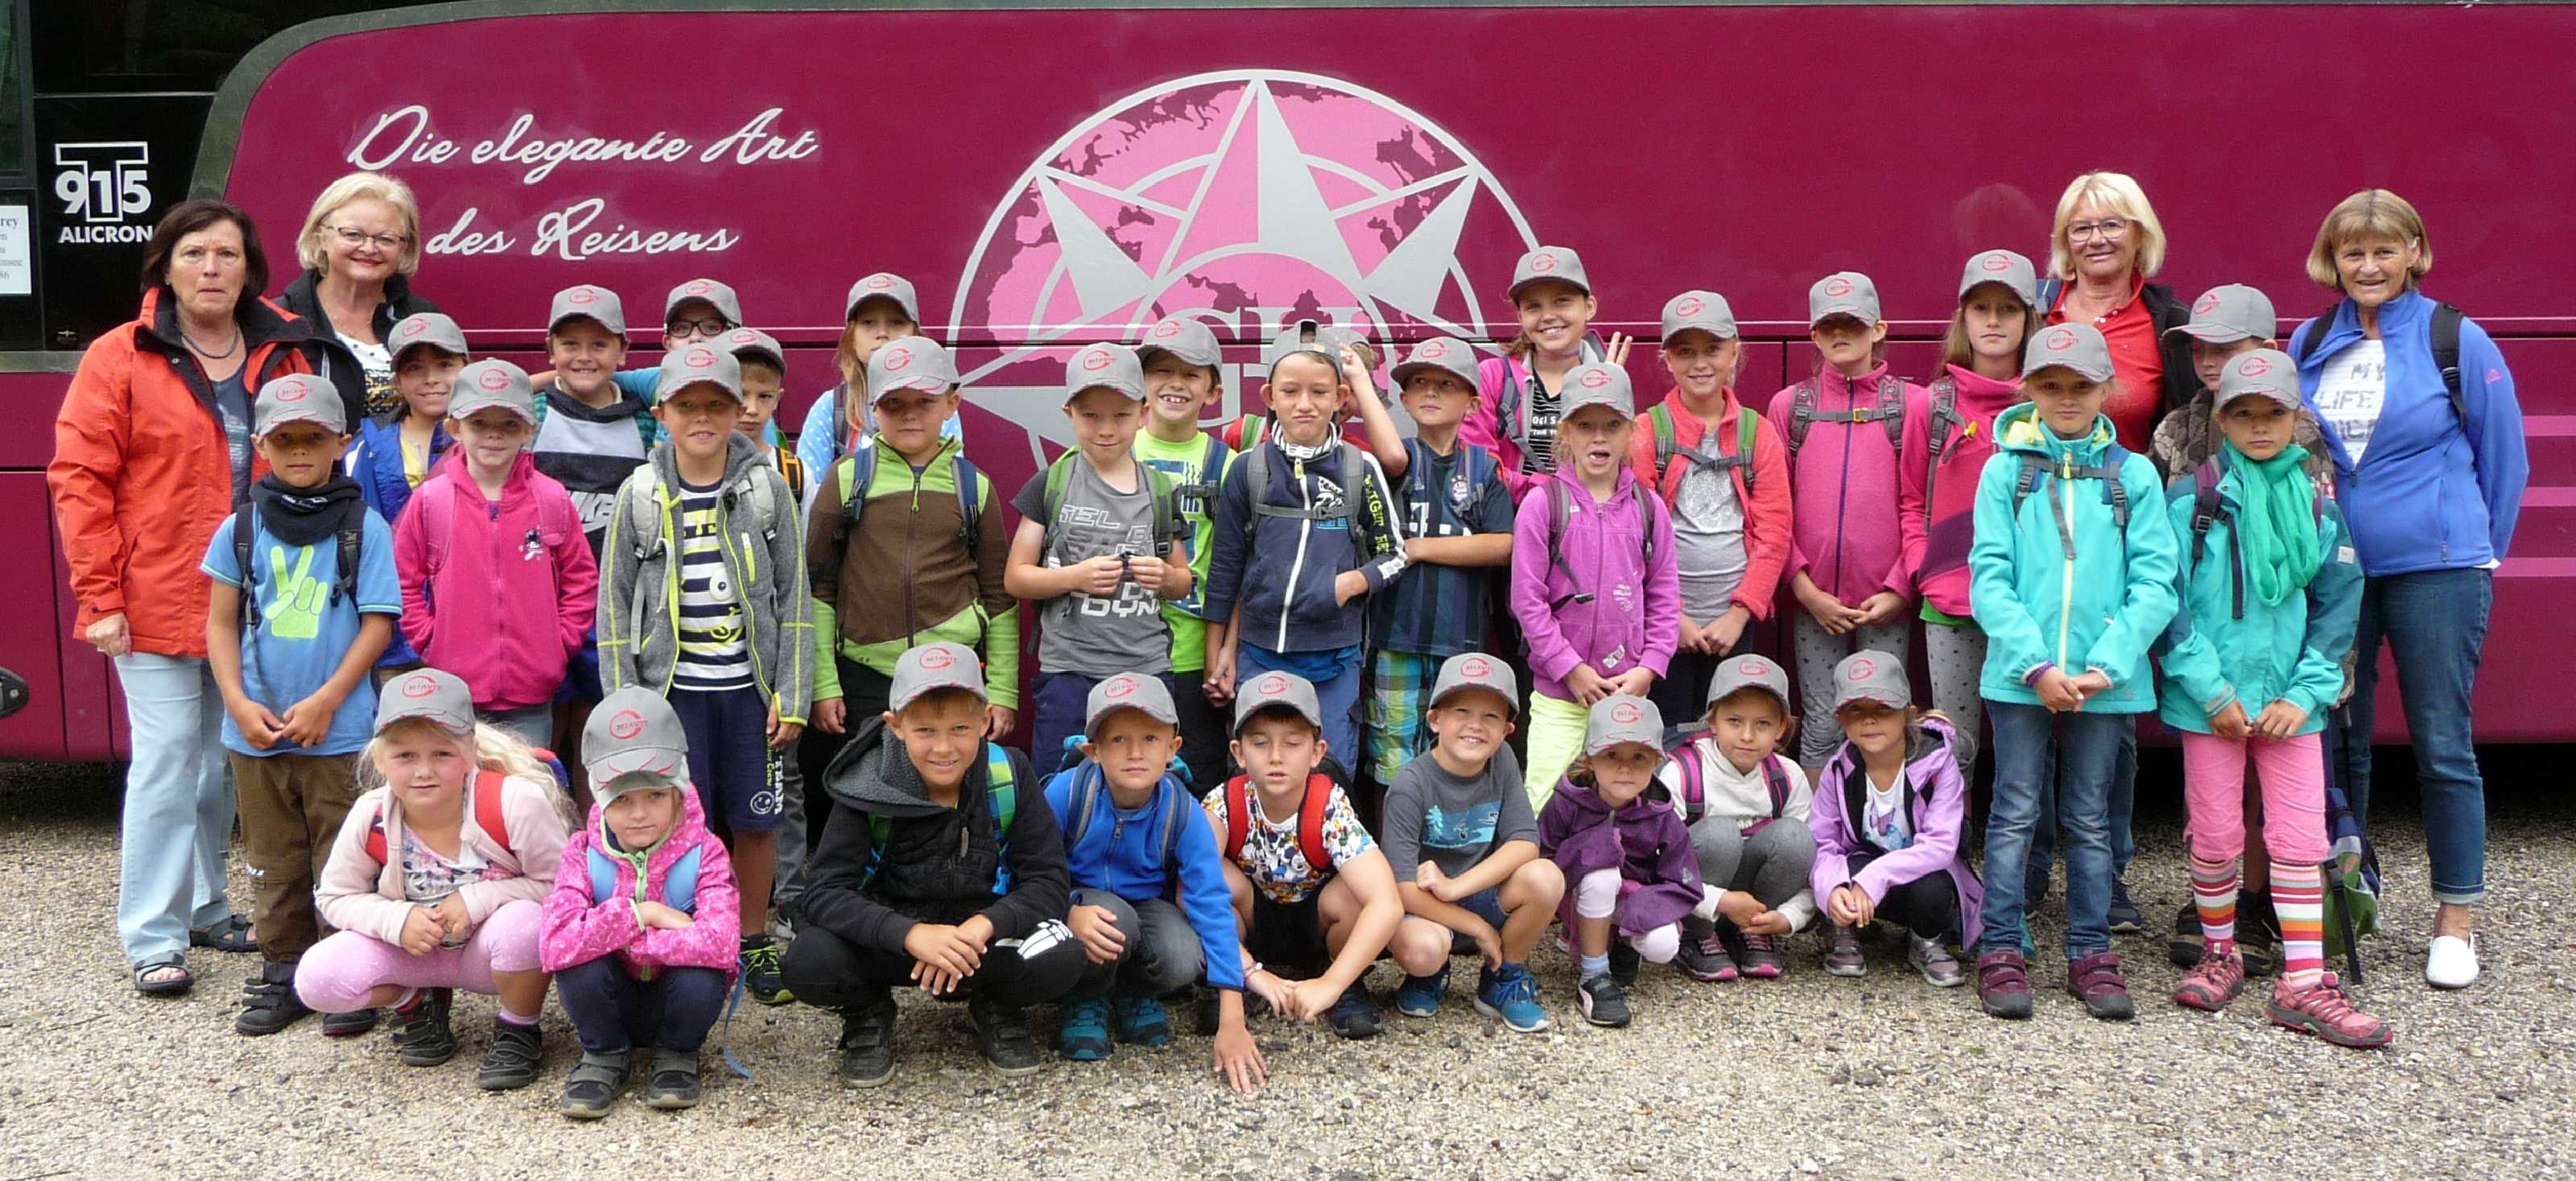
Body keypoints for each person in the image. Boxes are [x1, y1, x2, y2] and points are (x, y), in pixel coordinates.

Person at [52, 198, 326, 994]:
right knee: (169, 762)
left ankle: (207, 908)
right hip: (155, 596)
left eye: (227, 254)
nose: (212, 268)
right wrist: (99, 596)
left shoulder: (284, 352)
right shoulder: (119, 355)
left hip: (258, 600)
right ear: (165, 268)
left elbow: (311, 463)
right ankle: (153, 935)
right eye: (195, 253)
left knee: (219, 766)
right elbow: (79, 479)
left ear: (250, 270)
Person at [2290, 188, 2526, 990]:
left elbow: (2504, 458)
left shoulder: (2454, 337)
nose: (2368, 265)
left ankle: (2455, 919)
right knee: (2337, 740)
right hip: (2337, 574)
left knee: (2441, 744)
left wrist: (2478, 554)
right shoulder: (2309, 341)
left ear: (2413, 253)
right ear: (2331, 259)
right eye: (2352, 251)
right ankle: (2350, 894)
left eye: (2384, 249)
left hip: (2438, 568)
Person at [2157, 350, 2390, 1047]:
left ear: (2297, 420)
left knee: (2297, 836)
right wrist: (2211, 689)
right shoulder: (2192, 500)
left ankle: (2305, 982)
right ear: (2222, 419)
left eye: (2274, 414)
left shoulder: (2318, 506)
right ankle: (2220, 951)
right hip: (2212, 704)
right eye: (2244, 414)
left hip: (2292, 705)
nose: (2259, 427)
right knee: (2216, 832)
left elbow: (2338, 604)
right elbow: (2168, 604)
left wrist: (2306, 691)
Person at [1967, 324, 2178, 1022]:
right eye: (2050, 385)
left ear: (2106, 389)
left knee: (2090, 817)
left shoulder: (2133, 475)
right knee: (2014, 811)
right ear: (2028, 387)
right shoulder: (2004, 471)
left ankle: (2090, 949)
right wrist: (2035, 663)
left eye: (2081, 386)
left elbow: (2156, 582)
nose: (2066, 398)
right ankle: (2001, 944)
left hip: (2103, 682)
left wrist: (2104, 666)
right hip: (2020, 677)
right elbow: (1988, 577)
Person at [600, 346, 811, 1005]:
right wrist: (625, 705)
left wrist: (792, 692)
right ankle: (687, 937)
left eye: (716, 404)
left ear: (737, 409)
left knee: (755, 819)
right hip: (670, 697)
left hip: (749, 693)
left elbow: (795, 596)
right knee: (676, 821)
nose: (702, 417)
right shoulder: (639, 493)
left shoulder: (765, 489)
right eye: (686, 405)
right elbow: (615, 605)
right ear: (661, 411)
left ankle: (752, 937)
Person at [782, 642, 1082, 1085]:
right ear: (896, 726)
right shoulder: (865, 783)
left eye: (960, 728)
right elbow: (824, 893)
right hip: (897, 944)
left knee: (1064, 952)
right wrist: (910, 935)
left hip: (979, 942)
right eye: (925, 731)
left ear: (985, 721)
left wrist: (983, 927)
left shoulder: (1010, 774)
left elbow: (1048, 883)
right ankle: (868, 1010)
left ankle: (995, 1005)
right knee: (808, 959)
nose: (944, 748)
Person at [2027, 171, 2199, 931]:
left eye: (2112, 224)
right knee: (2029, 712)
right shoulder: (2032, 310)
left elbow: (2191, 430)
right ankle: (2031, 866)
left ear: (2141, 235)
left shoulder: (2166, 323)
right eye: (2081, 226)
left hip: (2125, 542)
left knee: (2112, 717)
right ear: (2063, 241)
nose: (2096, 238)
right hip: (2037, 537)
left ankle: (2109, 874)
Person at [203, 374, 401, 1035]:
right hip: (255, 732)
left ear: (341, 442)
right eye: (283, 438)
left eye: (312, 438)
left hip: (338, 732)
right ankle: (283, 969)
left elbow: (378, 624)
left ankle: (344, 973)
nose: (297, 450)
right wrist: (236, 702)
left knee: (343, 854)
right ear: (260, 444)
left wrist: (327, 700)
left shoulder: (364, 526)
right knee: (273, 858)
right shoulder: (240, 527)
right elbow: (220, 624)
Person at [295, 668, 572, 1090]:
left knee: (526, 926)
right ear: (380, 760)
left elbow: (562, 886)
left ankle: (519, 1026)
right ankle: (415, 1003)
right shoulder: (371, 813)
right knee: (316, 978)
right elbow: (334, 895)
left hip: (487, 952)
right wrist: (396, 920)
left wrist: (478, 900)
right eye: (405, 756)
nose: (424, 770)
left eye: (442, 754)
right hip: (412, 951)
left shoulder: (514, 800)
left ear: (470, 753)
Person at [1045, 674, 1265, 1092]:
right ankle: (1085, 996)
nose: (1135, 753)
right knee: (1115, 919)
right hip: (1076, 907)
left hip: (1146, 908)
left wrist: (1232, 1016)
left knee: (1184, 956)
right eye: (1118, 740)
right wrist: (1067, 910)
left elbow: (1211, 903)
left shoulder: (1183, 811)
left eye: (1150, 739)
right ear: (1092, 751)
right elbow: (1027, 870)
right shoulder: (1066, 794)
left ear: (1172, 748)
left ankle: (1131, 992)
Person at [1203, 335, 1409, 772]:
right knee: (1259, 771)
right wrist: (1217, 656)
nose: (1304, 404)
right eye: (1290, 391)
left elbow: (1393, 553)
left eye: (1319, 392)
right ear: (1269, 397)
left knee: (1328, 773)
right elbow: (1225, 569)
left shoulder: (1359, 468)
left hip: (1334, 661)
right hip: (1259, 654)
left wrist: (1350, 583)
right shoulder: (1248, 468)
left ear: (1340, 398)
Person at [542, 688, 744, 1118]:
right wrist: (643, 914)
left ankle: (678, 1054)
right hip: (608, 998)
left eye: (654, 795)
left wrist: (617, 939)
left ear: (678, 793)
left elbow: (723, 945)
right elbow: (555, 944)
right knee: (577, 967)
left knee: (700, 975)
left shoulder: (706, 851)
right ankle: (604, 1054)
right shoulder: (581, 852)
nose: (638, 813)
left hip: (680, 1002)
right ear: (599, 798)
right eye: (621, 799)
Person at [805, 337, 1018, 737]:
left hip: (955, 674)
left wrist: (1004, 691)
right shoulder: (847, 478)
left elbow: (999, 596)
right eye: (894, 403)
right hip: (864, 680)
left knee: (948, 776)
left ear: (951, 404)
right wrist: (824, 684)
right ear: (873, 407)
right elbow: (819, 587)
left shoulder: (973, 486)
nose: (909, 414)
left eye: (924, 401)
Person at [1769, 272, 1926, 779]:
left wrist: (1901, 588)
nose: (1840, 333)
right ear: (1813, 335)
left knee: (1884, 719)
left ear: (1878, 329)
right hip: (1813, 603)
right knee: (1821, 723)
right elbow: (1775, 507)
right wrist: (1803, 588)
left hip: (1887, 605)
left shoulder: (1912, 404)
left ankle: (1886, 821)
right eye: (1828, 325)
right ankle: (1824, 826)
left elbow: (1922, 505)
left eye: (1853, 323)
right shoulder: (1791, 406)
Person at [1006, 342, 1193, 766]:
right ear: (1069, 414)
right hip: (1068, 671)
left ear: (1143, 414)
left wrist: (1165, 577)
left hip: (1145, 667)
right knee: (1059, 783)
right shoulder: (1051, 484)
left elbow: (1183, 581)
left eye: (1121, 415)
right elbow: (1016, 577)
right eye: (1091, 416)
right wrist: (1075, 577)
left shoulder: (1160, 491)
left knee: (1142, 778)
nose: (1106, 429)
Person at [394, 360, 596, 749]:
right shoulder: (432, 500)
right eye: (479, 423)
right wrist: (429, 640)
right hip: (455, 691)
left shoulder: (550, 497)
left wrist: (559, 643)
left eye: (509, 424)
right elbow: (404, 580)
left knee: (527, 780)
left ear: (529, 429)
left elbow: (581, 578)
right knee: (462, 782)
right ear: (454, 427)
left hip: (532, 692)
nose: (494, 435)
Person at [1200, 671, 1403, 1040]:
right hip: (1253, 923)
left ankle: (1347, 980)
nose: (1276, 757)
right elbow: (1192, 889)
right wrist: (1249, 971)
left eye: (1293, 743)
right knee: (1212, 877)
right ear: (1238, 752)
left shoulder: (1329, 806)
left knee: (1355, 893)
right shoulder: (1223, 803)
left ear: (1317, 752)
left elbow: (1386, 902)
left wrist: (1332, 983)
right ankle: (1232, 977)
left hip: (1318, 924)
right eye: (1260, 743)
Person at [1509, 362, 1678, 803]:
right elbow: (1527, 601)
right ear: (1565, 432)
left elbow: (1664, 597)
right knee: (1546, 800)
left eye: (1612, 425)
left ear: (1632, 432)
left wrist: (1649, 668)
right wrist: (1570, 670)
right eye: (1585, 426)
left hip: (1628, 693)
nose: (1599, 438)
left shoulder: (1649, 509)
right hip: (1560, 696)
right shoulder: (1543, 505)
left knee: (1625, 803)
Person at [1627, 291, 1792, 721]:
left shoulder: (1759, 434)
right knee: (1668, 730)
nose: (1700, 363)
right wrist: (1672, 616)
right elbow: (1635, 536)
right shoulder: (1648, 431)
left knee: (1729, 731)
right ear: (1667, 359)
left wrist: (1741, 613)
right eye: (1686, 352)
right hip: (1663, 624)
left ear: (1734, 352)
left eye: (1713, 349)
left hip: (1733, 624)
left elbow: (1775, 533)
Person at [1908, 250, 2041, 772]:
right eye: (1981, 308)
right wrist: (1924, 567)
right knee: (1952, 749)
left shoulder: (2048, 406)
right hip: (1949, 601)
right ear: (1963, 318)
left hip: (2031, 602)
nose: (1993, 321)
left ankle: (2022, 831)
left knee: (2024, 751)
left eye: (2008, 309)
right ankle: (1953, 827)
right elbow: (1910, 498)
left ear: (2028, 319)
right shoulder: (1932, 404)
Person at [1378, 655, 1562, 1032]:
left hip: (1474, 891)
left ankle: (1503, 976)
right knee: (1424, 950)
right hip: (1423, 907)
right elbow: (1402, 888)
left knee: (1546, 877)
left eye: (1491, 716)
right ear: (1435, 719)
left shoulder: (1502, 760)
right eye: (1461, 712)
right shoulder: (1410, 785)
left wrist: (1456, 887)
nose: (1475, 726)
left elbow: (1525, 842)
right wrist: (1477, 927)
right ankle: (1430, 975)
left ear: (1507, 730)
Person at [1365, 338, 1516, 791]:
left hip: (1460, 640)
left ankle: (1445, 836)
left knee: (1454, 753)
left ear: (1473, 403)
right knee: (1392, 751)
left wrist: (1419, 548)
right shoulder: (1392, 461)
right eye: (1419, 383)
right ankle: (1396, 837)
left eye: (1447, 385)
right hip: (1395, 636)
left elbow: (1502, 545)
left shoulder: (1483, 468)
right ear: (1403, 398)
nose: (1430, 392)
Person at [530, 284, 659, 782]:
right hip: (543, 604)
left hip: (614, 605)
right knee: (545, 730)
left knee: (600, 730)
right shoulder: (533, 412)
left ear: (623, 352)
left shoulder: (644, 419)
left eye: (600, 344)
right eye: (570, 344)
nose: (584, 356)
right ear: (550, 350)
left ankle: (596, 823)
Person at [1537, 695, 1717, 1028]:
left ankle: (1621, 942)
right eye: (1611, 755)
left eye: (1639, 756)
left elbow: (1683, 881)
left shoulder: (1661, 814)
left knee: (1663, 945)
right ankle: (1593, 976)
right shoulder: (1566, 802)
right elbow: (1542, 859)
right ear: (1590, 759)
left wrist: (1641, 911)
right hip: (1578, 893)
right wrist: (1589, 853)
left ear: (1656, 760)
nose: (1625, 767)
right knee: (1601, 874)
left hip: (1631, 899)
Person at [1806, 653, 1982, 988]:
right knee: (1840, 874)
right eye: (1856, 710)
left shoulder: (1938, 765)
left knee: (1934, 890)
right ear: (1840, 718)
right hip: (1863, 877)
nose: (1870, 720)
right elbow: (1822, 840)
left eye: (1884, 709)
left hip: (1918, 876)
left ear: (1908, 714)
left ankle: (1925, 938)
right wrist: (1831, 890)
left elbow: (1940, 846)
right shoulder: (1838, 769)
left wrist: (1875, 877)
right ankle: (1842, 927)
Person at [723, 326, 816, 928]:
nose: (749, 409)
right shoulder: (680, 467)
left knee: (785, 776)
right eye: (739, 395)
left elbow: (798, 578)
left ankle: (790, 895)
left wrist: (795, 675)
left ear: (780, 397)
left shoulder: (791, 471)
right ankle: (719, 896)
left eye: (763, 396)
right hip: (711, 655)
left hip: (773, 651)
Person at [1655, 655, 1814, 983]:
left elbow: (1815, 863)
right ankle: (1697, 935)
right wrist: (1719, 901)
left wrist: (1789, 916)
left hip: (1754, 905)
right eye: (1734, 721)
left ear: (1782, 728)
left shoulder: (1787, 776)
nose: (1747, 736)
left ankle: (1754, 932)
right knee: (1721, 834)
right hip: (1694, 899)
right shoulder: (1683, 772)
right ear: (1712, 722)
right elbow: (1656, 864)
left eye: (1763, 724)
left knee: (1797, 837)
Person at [1129, 316, 1238, 794]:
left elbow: (1237, 568)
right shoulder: (1112, 450)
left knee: (1201, 782)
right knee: (1128, 779)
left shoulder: (1228, 465)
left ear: (1214, 391)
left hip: (1194, 657)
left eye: (1191, 374)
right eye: (1161, 371)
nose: (1175, 383)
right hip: (1122, 648)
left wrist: (1224, 651)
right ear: (1139, 382)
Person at [1459, 246, 1631, 503]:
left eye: (1562, 301)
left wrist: (1609, 398)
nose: (1548, 316)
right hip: (1509, 523)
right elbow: (1477, 466)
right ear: (1520, 317)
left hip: (1585, 524)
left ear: (1589, 307)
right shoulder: (1493, 377)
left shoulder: (1611, 375)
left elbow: (1617, 476)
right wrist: (1550, 496)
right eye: (1533, 307)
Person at [344, 312, 462, 676]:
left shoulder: (491, 444)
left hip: (467, 629)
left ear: (467, 367)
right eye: (414, 369)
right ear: (396, 380)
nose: (431, 379)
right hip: (391, 631)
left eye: (445, 365)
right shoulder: (364, 448)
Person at [277, 171, 439, 420]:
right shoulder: (280, 322)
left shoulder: (423, 319)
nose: (369, 248)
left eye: (386, 239)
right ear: (321, 237)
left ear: (404, 247)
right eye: (353, 235)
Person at [792, 272, 956, 498]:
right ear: (851, 337)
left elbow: (950, 486)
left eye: (896, 322)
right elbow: (809, 494)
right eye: (868, 323)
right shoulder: (831, 407)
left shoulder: (939, 402)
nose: (882, 334)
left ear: (915, 334)